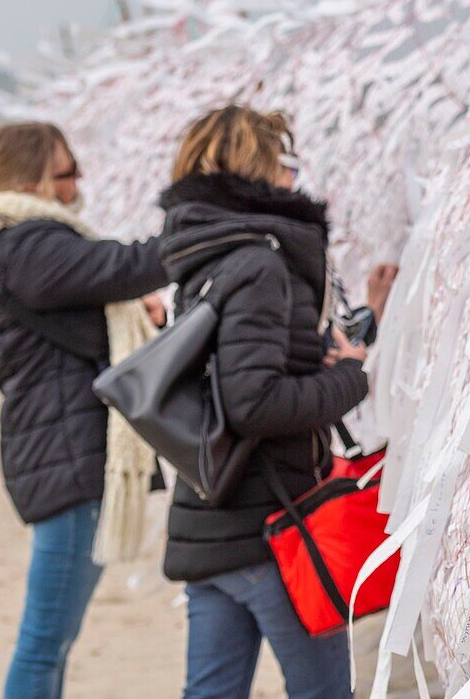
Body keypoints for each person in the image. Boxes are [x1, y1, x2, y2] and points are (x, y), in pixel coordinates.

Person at [0, 122, 168, 699]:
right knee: (44, 640)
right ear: (33, 178)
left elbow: (101, 286)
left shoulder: (13, 245)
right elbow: (127, 265)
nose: (78, 180)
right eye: (67, 169)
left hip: (54, 446)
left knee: (52, 638)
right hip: (66, 456)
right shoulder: (30, 244)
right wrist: (210, 225)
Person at [159, 105, 370, 699]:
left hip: (212, 524)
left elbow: (231, 382)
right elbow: (254, 402)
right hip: (273, 529)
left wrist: (310, 361)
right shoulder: (259, 264)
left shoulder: (207, 259)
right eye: (287, 162)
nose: (294, 177)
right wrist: (351, 378)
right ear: (259, 168)